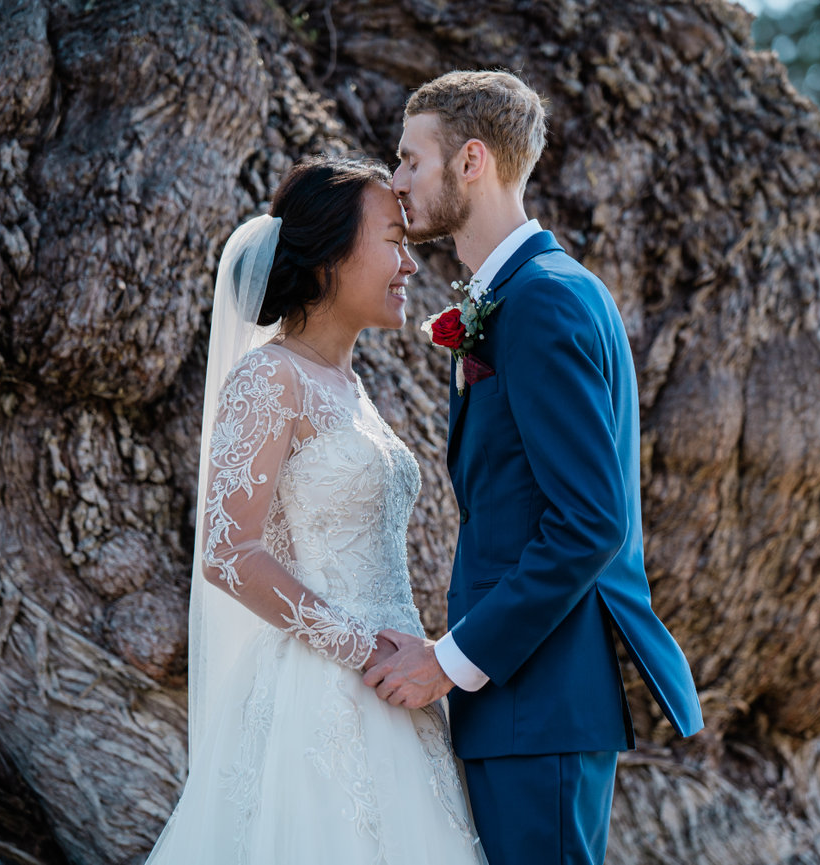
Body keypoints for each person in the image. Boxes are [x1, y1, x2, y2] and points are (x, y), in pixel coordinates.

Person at [363, 70, 706, 865]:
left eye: (411, 159)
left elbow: (591, 522)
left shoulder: (544, 299)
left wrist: (449, 661)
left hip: (538, 702)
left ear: (471, 160)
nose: (398, 180)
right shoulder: (527, 293)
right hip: (520, 705)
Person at [144, 156, 486, 864]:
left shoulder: (348, 384)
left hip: (396, 686)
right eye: (393, 241)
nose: (409, 265)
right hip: (321, 693)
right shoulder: (270, 377)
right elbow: (229, 552)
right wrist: (363, 648)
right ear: (329, 256)